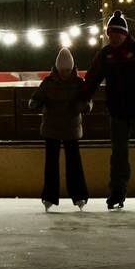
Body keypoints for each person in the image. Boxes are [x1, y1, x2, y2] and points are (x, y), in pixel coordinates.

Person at [77, 10, 135, 209]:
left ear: (124, 34)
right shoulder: (106, 55)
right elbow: (92, 79)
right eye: (110, 34)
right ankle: (117, 192)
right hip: (117, 112)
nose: (113, 37)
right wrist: (82, 98)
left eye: (117, 33)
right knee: (118, 154)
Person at [29, 48, 91, 211]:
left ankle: (79, 196)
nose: (64, 73)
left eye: (68, 70)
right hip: (52, 128)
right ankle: (49, 196)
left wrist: (85, 106)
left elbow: (88, 101)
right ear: (57, 68)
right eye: (62, 70)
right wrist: (34, 102)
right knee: (51, 163)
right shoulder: (48, 83)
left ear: (72, 69)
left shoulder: (79, 83)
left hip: (70, 128)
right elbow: (37, 97)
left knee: (74, 163)